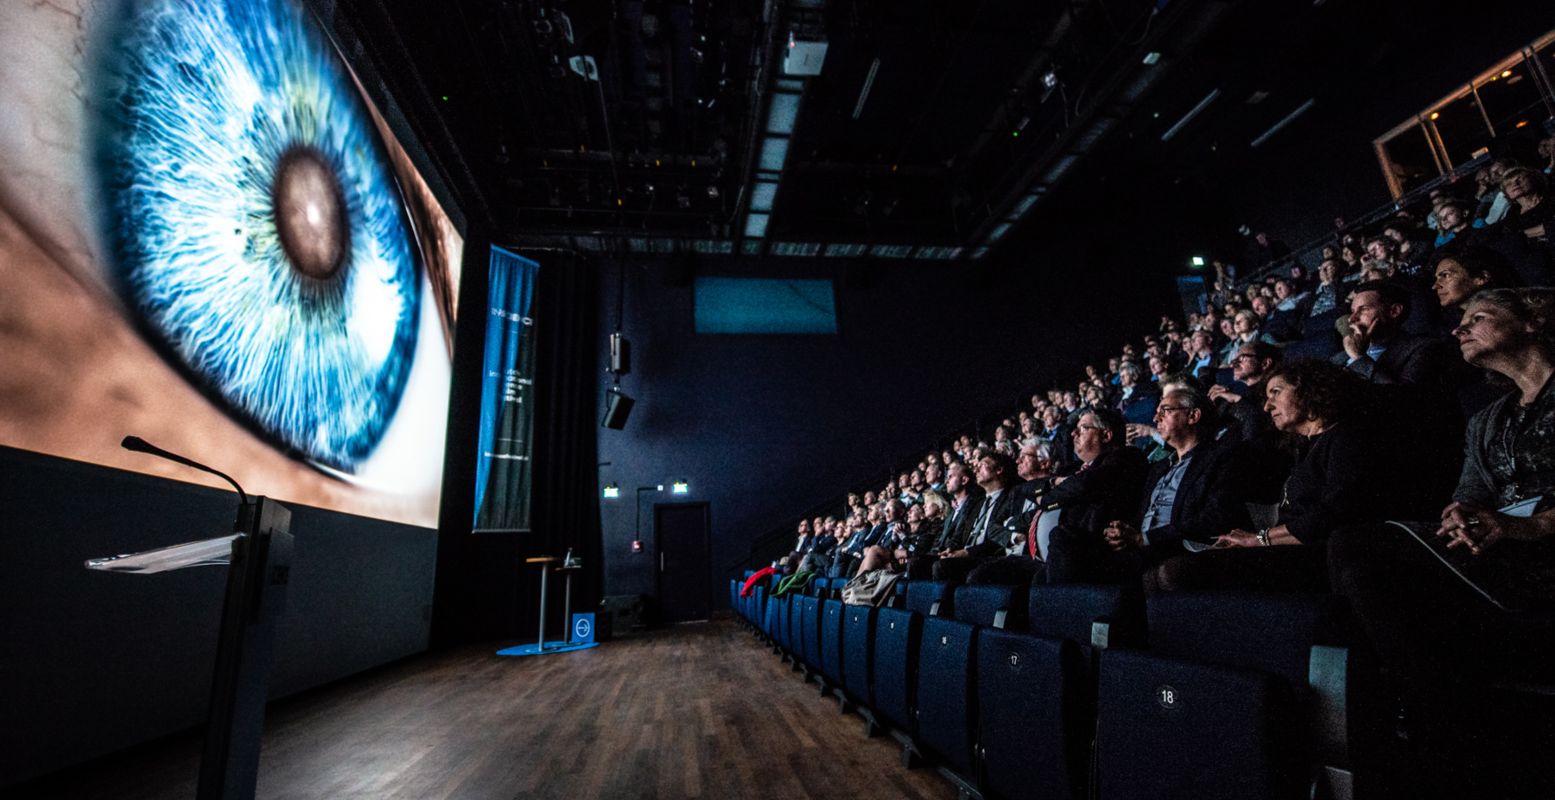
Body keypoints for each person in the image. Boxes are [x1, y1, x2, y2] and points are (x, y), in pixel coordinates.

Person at [1328, 288, 1555, 798]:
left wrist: (1536, 527)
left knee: (1355, 545)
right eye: (1460, 319)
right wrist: (1457, 516)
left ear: (1532, 323)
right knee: (1362, 564)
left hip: (1541, 549)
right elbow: (1468, 494)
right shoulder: (1486, 419)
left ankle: (1435, 719)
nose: (1459, 327)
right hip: (1494, 558)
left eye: (1479, 317)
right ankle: (1441, 717)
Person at [1149, 360, 1427, 593]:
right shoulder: (1304, 448)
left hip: (1321, 554)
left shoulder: (1347, 437)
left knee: (1175, 572)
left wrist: (1258, 540)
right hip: (1290, 547)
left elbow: (1335, 513)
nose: (1268, 407)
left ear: (1310, 391)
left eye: (1276, 393)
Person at [1050, 388, 1250, 584]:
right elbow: (1142, 513)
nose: (1155, 419)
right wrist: (1123, 531)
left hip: (1177, 546)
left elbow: (1214, 517)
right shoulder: (1158, 468)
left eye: (1165, 411)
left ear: (1193, 416)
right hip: (1140, 546)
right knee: (1064, 538)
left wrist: (1144, 538)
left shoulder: (1220, 458)